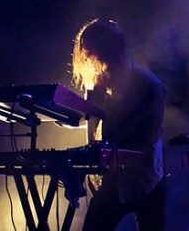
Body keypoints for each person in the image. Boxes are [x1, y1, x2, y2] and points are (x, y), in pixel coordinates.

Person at [71, 19, 167, 230]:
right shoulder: (96, 86)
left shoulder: (149, 84)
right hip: (112, 179)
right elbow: (85, 119)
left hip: (145, 178)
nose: (87, 56)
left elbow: (147, 135)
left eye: (89, 49)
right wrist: (60, 112)